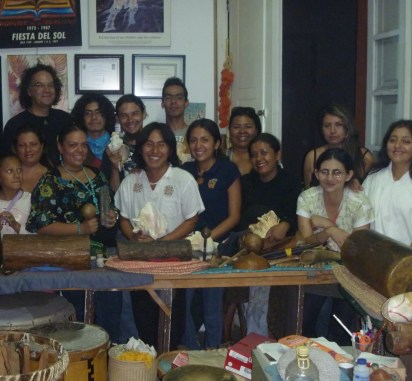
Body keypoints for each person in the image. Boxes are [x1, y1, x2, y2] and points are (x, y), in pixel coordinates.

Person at [25, 125, 121, 340]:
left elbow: (110, 205)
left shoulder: (96, 174)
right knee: (80, 321)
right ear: (60, 147)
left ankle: (109, 357)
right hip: (71, 262)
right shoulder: (50, 180)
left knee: (111, 316)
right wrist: (80, 229)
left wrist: (111, 217)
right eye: (73, 145)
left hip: (105, 260)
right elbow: (40, 224)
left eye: (83, 145)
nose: (80, 150)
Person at [115, 122, 205, 348]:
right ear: (140, 148)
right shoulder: (131, 181)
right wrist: (134, 237)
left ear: (170, 149)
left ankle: (168, 363)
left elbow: (192, 220)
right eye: (149, 144)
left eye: (161, 144)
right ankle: (149, 364)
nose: (154, 151)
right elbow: (124, 219)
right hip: (140, 265)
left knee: (173, 323)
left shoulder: (183, 179)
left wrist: (161, 243)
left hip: (173, 262)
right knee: (144, 321)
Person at [225, 133, 302, 339]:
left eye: (264, 153)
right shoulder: (245, 183)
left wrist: (286, 223)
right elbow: (238, 218)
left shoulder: (291, 182)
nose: (259, 158)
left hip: (282, 251)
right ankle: (249, 337)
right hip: (249, 248)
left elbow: (298, 216)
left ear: (277, 155)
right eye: (254, 154)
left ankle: (271, 336)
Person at [297, 148, 373, 343]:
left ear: (348, 175)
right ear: (316, 173)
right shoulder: (307, 198)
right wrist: (329, 230)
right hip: (315, 272)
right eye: (324, 171)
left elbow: (357, 249)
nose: (330, 178)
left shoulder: (359, 203)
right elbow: (306, 243)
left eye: (337, 172)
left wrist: (327, 226)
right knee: (306, 327)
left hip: (349, 274)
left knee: (341, 332)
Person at [180, 118, 241, 349]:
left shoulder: (228, 170)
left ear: (216, 143)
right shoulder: (183, 171)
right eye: (193, 140)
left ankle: (213, 350)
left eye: (204, 140)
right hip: (188, 247)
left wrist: (207, 240)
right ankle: (190, 349)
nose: (198, 145)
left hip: (219, 246)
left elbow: (234, 216)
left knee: (212, 301)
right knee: (184, 301)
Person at [363, 119, 412, 259]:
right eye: (392, 140)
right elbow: (362, 219)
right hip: (376, 260)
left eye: (406, 141)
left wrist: (403, 263)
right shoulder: (373, 177)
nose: (397, 145)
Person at [2, 63, 73, 166]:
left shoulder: (65, 120)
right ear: (29, 91)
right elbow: (9, 163)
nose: (47, 90)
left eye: (50, 85)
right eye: (39, 85)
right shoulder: (15, 125)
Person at [303, 103, 374, 189]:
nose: (332, 131)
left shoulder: (364, 157)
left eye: (338, 125)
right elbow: (308, 192)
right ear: (321, 129)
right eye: (327, 126)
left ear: (347, 127)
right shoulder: (312, 157)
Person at [103, 94, 146, 191]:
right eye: (124, 116)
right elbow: (112, 193)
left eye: (134, 114)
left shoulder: (154, 146)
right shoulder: (112, 149)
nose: (130, 120)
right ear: (118, 119)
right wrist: (114, 169)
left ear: (143, 114)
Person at [70, 93, 116, 170]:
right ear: (81, 117)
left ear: (106, 115)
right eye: (87, 113)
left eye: (98, 112)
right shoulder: (75, 147)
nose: (94, 117)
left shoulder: (119, 144)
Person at [162, 77, 192, 163]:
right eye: (168, 98)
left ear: (186, 103)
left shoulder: (193, 133)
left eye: (179, 97)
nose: (173, 101)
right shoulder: (157, 134)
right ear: (163, 103)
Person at [227, 106, 262, 176]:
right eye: (236, 127)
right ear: (229, 131)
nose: (242, 131)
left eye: (248, 127)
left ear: (256, 130)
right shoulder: (220, 159)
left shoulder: (266, 160)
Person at [12, 125, 48, 193]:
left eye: (33, 144)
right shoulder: (6, 177)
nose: (28, 149)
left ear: (41, 146)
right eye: (22, 145)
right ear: (15, 149)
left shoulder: (54, 176)